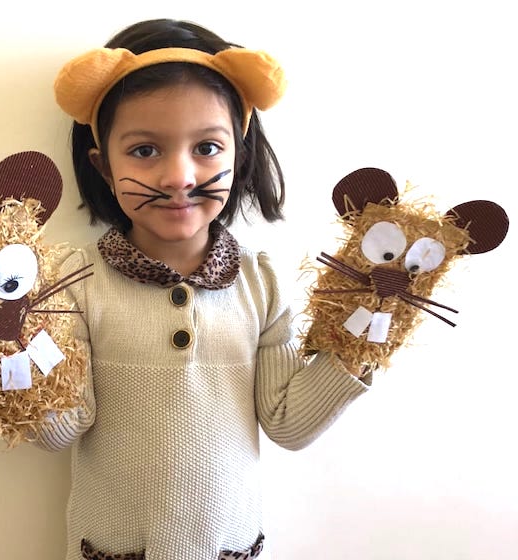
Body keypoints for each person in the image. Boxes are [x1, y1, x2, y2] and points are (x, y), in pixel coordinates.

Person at [37, 18, 371, 560]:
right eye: (145, 151)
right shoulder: (76, 283)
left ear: (239, 155)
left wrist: (366, 337)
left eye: (207, 147)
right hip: (111, 546)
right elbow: (60, 428)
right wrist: (1, 350)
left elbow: (288, 423)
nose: (178, 176)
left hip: (229, 545)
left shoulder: (260, 282)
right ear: (102, 164)